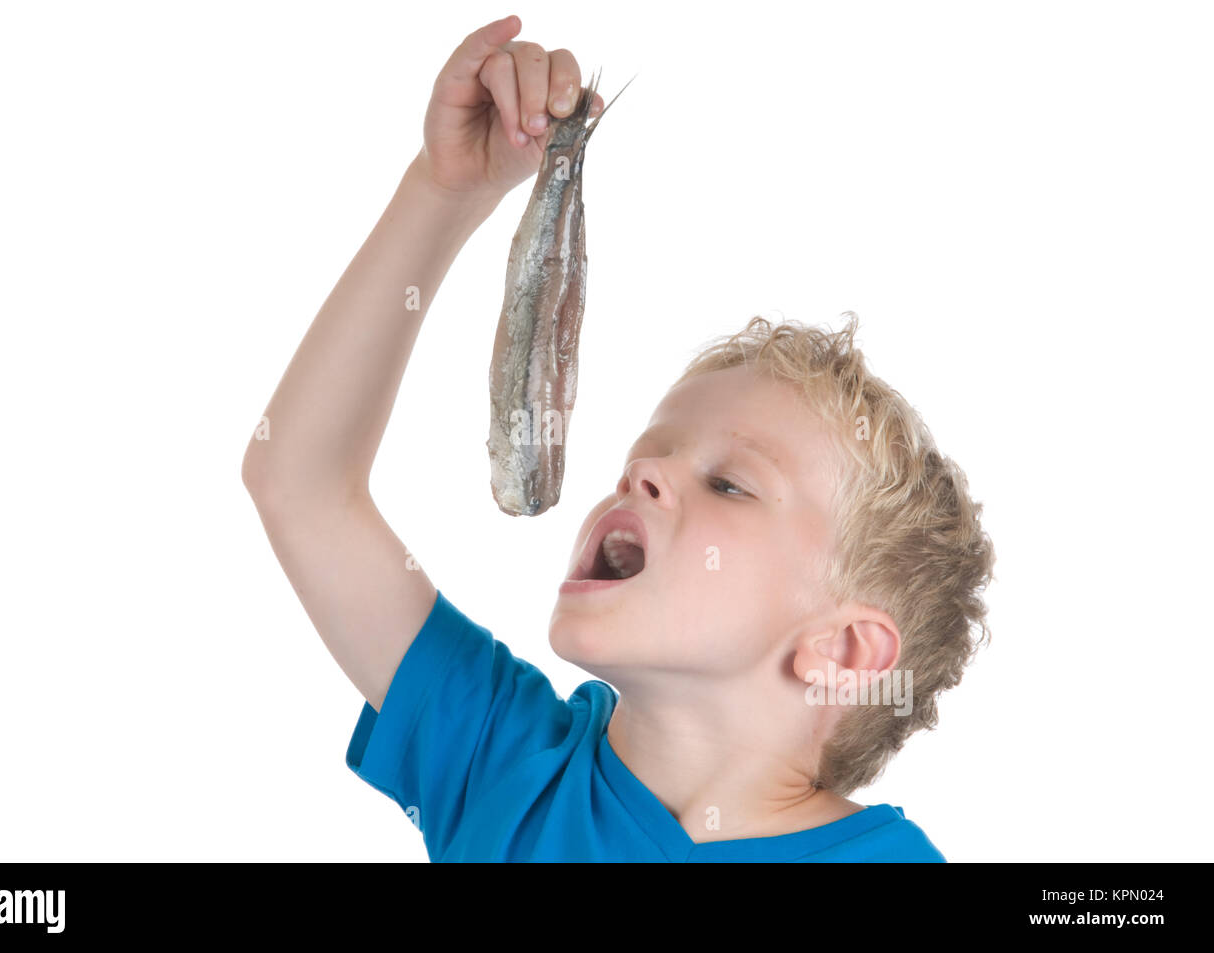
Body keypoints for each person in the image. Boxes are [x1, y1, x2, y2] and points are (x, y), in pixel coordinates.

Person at [242, 14, 995, 861]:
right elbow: (299, 482)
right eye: (647, 454)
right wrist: (446, 191)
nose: (643, 474)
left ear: (843, 649)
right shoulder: (505, 757)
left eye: (728, 483)